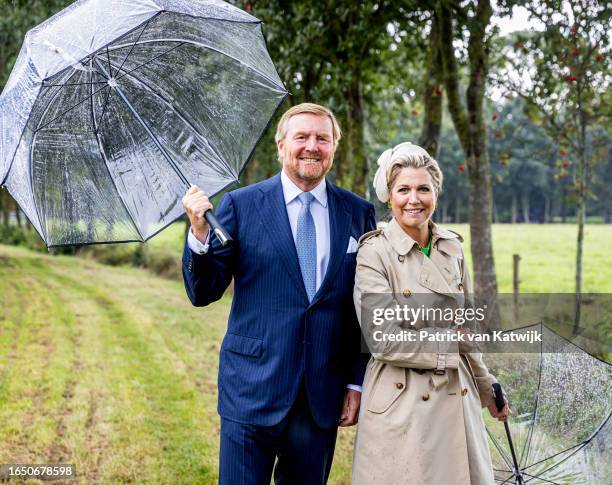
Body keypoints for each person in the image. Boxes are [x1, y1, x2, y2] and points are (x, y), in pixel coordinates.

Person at [181, 103, 376, 485]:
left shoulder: (358, 213)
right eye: (301, 136)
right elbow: (204, 292)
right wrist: (200, 234)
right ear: (281, 145)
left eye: (322, 138)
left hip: (320, 395)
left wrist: (356, 382)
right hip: (251, 388)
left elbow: (363, 309)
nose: (312, 146)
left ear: (334, 146)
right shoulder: (241, 204)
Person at [352, 142, 510, 485]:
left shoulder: (451, 247)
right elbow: (383, 340)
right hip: (402, 399)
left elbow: (463, 327)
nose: (414, 199)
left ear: (435, 192)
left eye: (423, 188)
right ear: (389, 195)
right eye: (403, 189)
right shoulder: (373, 252)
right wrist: (446, 346)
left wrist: (487, 384)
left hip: (456, 392)